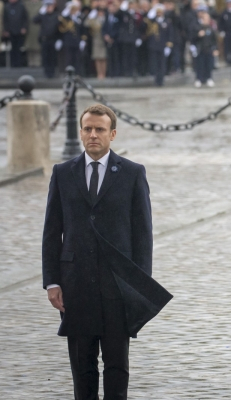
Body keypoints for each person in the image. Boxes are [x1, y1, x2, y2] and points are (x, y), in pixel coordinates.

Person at [42, 104, 172, 400]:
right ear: (81, 132)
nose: (93, 135)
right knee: (82, 367)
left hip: (117, 287)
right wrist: (52, 282)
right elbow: (52, 232)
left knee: (116, 366)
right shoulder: (62, 173)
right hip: (75, 286)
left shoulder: (132, 173)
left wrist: (139, 287)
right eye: (87, 129)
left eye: (99, 129)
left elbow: (143, 237)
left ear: (112, 134)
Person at [145, 4, 174, 86]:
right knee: (154, 64)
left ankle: (161, 80)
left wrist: (168, 46)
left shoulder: (167, 22)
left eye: (160, 12)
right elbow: (146, 30)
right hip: (154, 45)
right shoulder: (152, 21)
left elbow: (170, 34)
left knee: (162, 64)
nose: (159, 13)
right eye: (157, 12)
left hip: (163, 46)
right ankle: (156, 79)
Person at [189, 5, 217, 87]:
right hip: (200, 49)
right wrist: (198, 35)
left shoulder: (210, 29)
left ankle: (209, 78)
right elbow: (192, 37)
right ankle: (199, 79)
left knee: (209, 65)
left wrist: (215, 49)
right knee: (199, 65)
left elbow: (214, 40)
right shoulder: (197, 27)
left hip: (208, 49)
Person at [34, 0, 60, 78]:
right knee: (45, 57)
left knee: (52, 57)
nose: (49, 8)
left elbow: (59, 28)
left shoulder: (56, 16)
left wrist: (59, 39)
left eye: (50, 6)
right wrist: (40, 12)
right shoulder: (43, 15)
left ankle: (52, 73)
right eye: (47, 6)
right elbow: (34, 20)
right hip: (44, 39)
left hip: (53, 39)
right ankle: (46, 73)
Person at [58, 1, 85, 74]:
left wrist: (83, 40)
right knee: (68, 59)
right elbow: (60, 29)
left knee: (77, 59)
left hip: (77, 41)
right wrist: (60, 40)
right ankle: (68, 74)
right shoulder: (66, 18)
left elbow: (83, 30)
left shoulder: (80, 17)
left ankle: (77, 74)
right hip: (68, 41)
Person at [2, 0, 29, 68]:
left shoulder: (21, 6)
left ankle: (19, 64)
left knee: (19, 48)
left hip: (19, 31)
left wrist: (24, 27)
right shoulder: (7, 7)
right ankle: (13, 65)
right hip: (11, 31)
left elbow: (25, 18)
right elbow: (5, 20)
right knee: (12, 49)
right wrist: (6, 30)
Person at [85, 4, 108, 79]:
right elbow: (86, 24)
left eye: (102, 11)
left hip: (104, 41)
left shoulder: (106, 19)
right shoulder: (94, 20)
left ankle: (104, 74)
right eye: (99, 11)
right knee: (97, 58)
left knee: (104, 58)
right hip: (96, 40)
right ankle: (99, 74)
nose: (101, 13)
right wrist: (90, 16)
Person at [103, 0, 121, 77]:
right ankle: (110, 73)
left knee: (116, 57)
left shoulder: (118, 16)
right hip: (107, 41)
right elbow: (103, 28)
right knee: (109, 57)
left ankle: (116, 73)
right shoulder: (106, 16)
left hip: (115, 40)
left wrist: (112, 37)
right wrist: (105, 35)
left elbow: (118, 28)